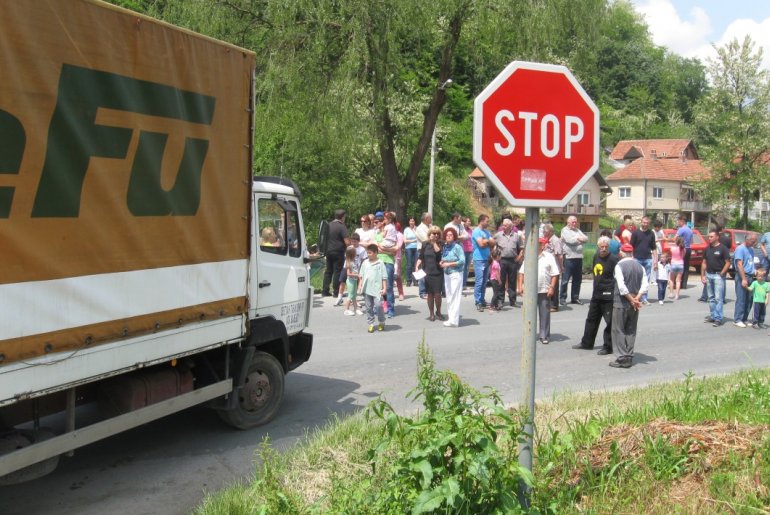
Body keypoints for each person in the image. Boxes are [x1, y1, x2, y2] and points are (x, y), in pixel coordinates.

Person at [573, 236, 618, 353]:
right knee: (591, 319)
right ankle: (587, 343)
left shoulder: (613, 259)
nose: (603, 249)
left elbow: (617, 276)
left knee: (609, 321)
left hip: (608, 295)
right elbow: (595, 273)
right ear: (598, 246)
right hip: (596, 294)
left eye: (606, 247)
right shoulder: (596, 256)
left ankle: (608, 347)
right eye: (601, 247)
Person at [609, 243, 649, 368]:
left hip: (621, 302)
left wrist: (631, 299)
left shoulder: (619, 266)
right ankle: (629, 355)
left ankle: (622, 357)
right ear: (632, 253)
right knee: (631, 329)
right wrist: (637, 298)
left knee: (618, 329)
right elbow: (645, 285)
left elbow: (621, 287)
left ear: (621, 253)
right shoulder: (640, 267)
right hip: (634, 303)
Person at [517, 237, 559, 344]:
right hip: (530, 290)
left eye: (540, 244)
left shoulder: (549, 257)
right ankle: (529, 334)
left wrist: (552, 287)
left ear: (543, 246)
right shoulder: (529, 255)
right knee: (529, 313)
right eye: (537, 243)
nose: (538, 246)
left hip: (544, 289)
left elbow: (555, 274)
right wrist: (520, 286)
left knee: (544, 313)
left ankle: (544, 335)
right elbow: (521, 272)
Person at [701, 229, 730, 327]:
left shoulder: (723, 248)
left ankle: (718, 318)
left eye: (711, 236)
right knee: (711, 298)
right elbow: (704, 263)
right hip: (709, 275)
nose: (709, 238)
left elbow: (728, 262)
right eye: (709, 236)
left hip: (718, 275)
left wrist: (722, 273)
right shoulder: (707, 249)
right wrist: (702, 275)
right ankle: (713, 316)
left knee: (718, 298)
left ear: (717, 237)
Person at [415, 226, 444, 321]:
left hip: (437, 272)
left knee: (437, 294)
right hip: (427, 272)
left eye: (437, 234)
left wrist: (434, 242)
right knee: (430, 294)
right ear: (429, 234)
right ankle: (431, 313)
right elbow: (421, 256)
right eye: (433, 233)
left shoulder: (441, 243)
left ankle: (438, 311)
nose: (435, 235)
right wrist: (417, 265)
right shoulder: (424, 244)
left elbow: (438, 253)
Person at [358, 244, 387, 333]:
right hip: (367, 289)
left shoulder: (380, 263)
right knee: (368, 307)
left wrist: (384, 288)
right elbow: (361, 275)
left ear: (375, 253)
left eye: (370, 253)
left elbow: (384, 277)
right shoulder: (365, 263)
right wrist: (360, 285)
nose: (368, 254)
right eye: (367, 253)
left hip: (377, 289)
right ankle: (371, 323)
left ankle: (381, 321)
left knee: (378, 305)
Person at [560, 215, 588, 305]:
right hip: (569, 257)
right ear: (568, 222)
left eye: (576, 222)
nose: (575, 223)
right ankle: (562, 298)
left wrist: (580, 239)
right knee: (565, 279)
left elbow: (586, 238)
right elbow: (570, 241)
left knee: (577, 279)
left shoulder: (577, 230)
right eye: (573, 222)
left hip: (578, 257)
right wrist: (579, 239)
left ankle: (575, 298)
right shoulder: (565, 230)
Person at [440, 226, 465, 327]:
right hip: (447, 274)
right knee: (449, 297)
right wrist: (442, 262)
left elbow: (462, 260)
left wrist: (449, 264)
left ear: (454, 236)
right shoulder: (446, 247)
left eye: (450, 235)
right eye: (447, 235)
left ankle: (454, 321)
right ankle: (451, 318)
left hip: (455, 273)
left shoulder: (457, 247)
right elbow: (444, 258)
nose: (448, 236)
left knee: (455, 297)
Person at [494, 219, 522, 307]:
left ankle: (513, 301)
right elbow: (492, 244)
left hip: (513, 260)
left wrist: (519, 257)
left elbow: (521, 248)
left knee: (512, 281)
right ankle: (500, 300)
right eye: (503, 225)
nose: (503, 227)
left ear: (510, 226)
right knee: (501, 281)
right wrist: (494, 257)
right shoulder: (498, 235)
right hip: (501, 260)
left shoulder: (516, 236)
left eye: (505, 225)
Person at [630, 216, 657, 305]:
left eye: (647, 223)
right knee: (637, 279)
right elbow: (631, 247)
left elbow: (654, 248)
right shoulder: (635, 233)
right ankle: (636, 297)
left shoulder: (651, 234)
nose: (645, 224)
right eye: (644, 222)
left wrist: (655, 261)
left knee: (646, 280)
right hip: (637, 259)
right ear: (641, 222)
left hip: (648, 259)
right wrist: (631, 258)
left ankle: (644, 298)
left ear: (649, 224)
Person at [374, 214, 398, 318]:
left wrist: (385, 250)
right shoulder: (377, 234)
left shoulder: (392, 231)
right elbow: (376, 249)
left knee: (388, 287)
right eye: (376, 222)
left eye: (378, 222)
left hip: (388, 262)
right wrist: (388, 250)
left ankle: (390, 309)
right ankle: (377, 308)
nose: (377, 224)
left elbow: (395, 250)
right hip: (378, 262)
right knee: (377, 286)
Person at [322, 209, 349, 298]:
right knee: (337, 271)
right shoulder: (342, 226)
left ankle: (325, 290)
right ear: (342, 217)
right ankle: (336, 292)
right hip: (338, 251)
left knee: (328, 271)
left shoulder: (328, 225)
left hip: (328, 251)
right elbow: (347, 241)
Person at [733, 233, 757, 328]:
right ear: (747, 239)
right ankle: (737, 319)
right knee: (741, 298)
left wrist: (754, 270)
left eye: (755, 241)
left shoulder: (751, 249)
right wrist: (743, 279)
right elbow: (739, 264)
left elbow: (750, 262)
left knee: (749, 299)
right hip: (742, 275)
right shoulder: (740, 249)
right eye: (752, 241)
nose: (754, 243)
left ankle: (744, 318)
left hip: (751, 276)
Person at [472, 214, 493, 311]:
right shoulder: (476, 231)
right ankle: (478, 301)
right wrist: (487, 242)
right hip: (478, 259)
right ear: (481, 221)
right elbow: (481, 244)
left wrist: (487, 242)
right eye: (487, 221)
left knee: (484, 281)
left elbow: (493, 243)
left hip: (487, 258)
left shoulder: (487, 232)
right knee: (479, 281)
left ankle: (482, 299)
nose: (488, 223)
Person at [543, 223, 563, 312]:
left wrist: (561, 266)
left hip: (554, 266)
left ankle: (554, 305)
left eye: (545, 231)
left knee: (554, 286)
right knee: (548, 285)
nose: (543, 232)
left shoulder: (556, 240)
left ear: (550, 232)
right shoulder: (546, 240)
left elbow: (559, 255)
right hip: (547, 267)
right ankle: (548, 303)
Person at [415, 212, 432, 299]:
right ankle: (422, 291)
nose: (431, 219)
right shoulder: (419, 228)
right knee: (421, 270)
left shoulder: (430, 227)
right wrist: (433, 238)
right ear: (426, 219)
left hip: (430, 251)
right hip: (422, 251)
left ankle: (428, 290)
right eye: (430, 218)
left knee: (428, 270)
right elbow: (425, 239)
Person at [673, 214, 693, 288]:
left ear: (682, 221)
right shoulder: (690, 230)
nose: (678, 223)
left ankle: (678, 283)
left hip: (681, 249)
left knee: (679, 265)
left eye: (678, 221)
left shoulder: (681, 229)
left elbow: (675, 238)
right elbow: (691, 241)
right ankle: (684, 284)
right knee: (686, 266)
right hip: (688, 249)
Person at [342, 246, 361, 316]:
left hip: (354, 280)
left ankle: (356, 309)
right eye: (355, 252)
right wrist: (357, 275)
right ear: (352, 254)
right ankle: (346, 310)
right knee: (350, 295)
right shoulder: (348, 262)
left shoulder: (354, 260)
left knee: (354, 296)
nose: (356, 253)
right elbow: (348, 274)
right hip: (350, 281)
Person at [668, 236, 685, 300]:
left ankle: (671, 293)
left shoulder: (672, 248)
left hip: (673, 264)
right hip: (681, 264)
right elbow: (683, 256)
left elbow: (670, 253)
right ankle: (677, 295)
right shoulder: (683, 249)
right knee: (678, 281)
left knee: (671, 280)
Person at [403, 216, 418, 286]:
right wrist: (413, 240)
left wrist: (415, 230)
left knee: (416, 264)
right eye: (411, 221)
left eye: (413, 221)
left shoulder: (417, 229)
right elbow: (405, 241)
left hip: (416, 248)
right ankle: (408, 280)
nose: (412, 222)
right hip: (408, 248)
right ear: (409, 222)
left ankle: (415, 280)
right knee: (409, 264)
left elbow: (419, 237)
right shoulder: (406, 230)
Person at [461, 216, 474, 289]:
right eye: (468, 221)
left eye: (469, 221)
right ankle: (461, 284)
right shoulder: (462, 229)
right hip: (463, 250)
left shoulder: (471, 230)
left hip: (470, 251)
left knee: (467, 268)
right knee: (462, 268)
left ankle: (464, 284)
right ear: (464, 222)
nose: (469, 222)